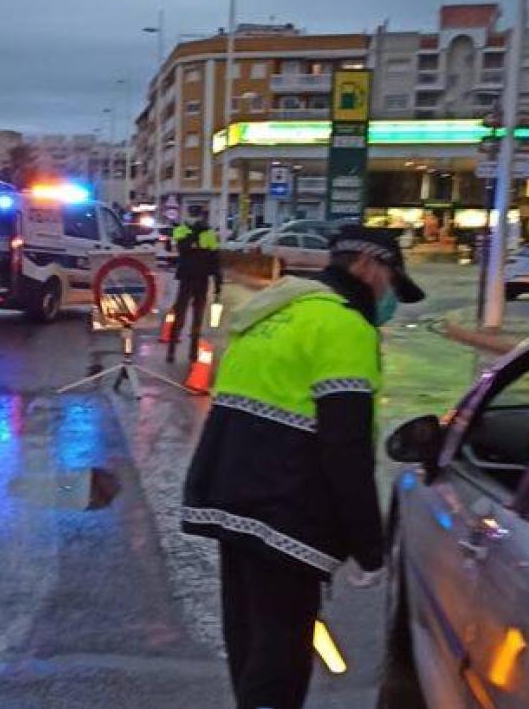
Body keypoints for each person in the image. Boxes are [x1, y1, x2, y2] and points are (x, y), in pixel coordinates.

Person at [180, 225, 425, 709]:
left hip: (229, 497)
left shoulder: (277, 309)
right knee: (281, 655)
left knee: (249, 642)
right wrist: (368, 545)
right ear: (368, 267)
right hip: (284, 508)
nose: (390, 298)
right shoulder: (344, 327)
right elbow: (345, 446)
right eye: (392, 282)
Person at [167, 210, 222, 363]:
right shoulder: (181, 229)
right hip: (187, 278)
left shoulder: (209, 233)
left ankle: (193, 354)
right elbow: (182, 248)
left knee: (197, 318)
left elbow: (215, 260)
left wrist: (218, 282)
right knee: (180, 316)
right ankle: (171, 350)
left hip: (201, 279)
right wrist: (195, 234)